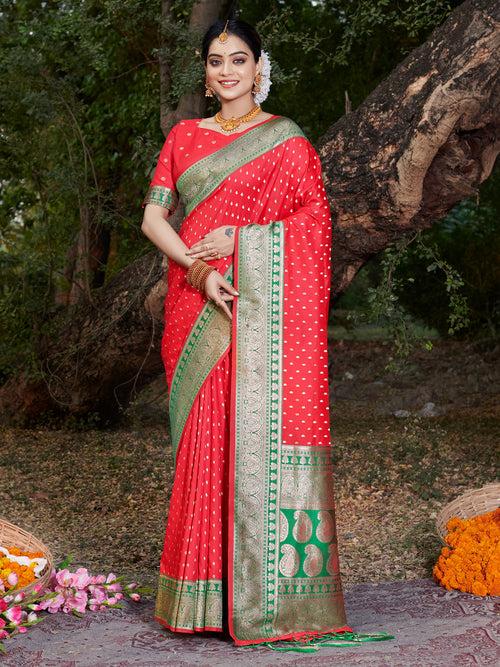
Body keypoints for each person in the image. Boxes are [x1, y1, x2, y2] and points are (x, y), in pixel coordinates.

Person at [141, 15, 393, 652]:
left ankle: (265, 598)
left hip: (259, 307)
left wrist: (243, 242)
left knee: (252, 435)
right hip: (196, 304)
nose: (225, 72)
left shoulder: (286, 141)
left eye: (238, 60)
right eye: (216, 61)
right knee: (203, 439)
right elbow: (153, 219)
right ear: (205, 73)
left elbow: (315, 227)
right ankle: (201, 597)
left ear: (260, 67)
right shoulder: (183, 137)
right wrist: (199, 271)